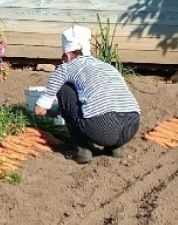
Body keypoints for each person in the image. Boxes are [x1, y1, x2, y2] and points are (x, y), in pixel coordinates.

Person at [33, 25, 140, 164]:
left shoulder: (65, 69)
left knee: (64, 88)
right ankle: (115, 148)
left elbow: (39, 110)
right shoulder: (107, 67)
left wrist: (54, 112)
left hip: (104, 130)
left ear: (67, 54)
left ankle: (82, 151)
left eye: (63, 57)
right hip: (131, 125)